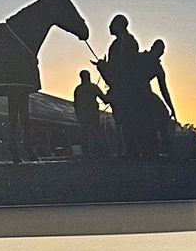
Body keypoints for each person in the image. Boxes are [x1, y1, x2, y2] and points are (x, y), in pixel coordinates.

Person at [103, 13, 156, 158]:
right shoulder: (117, 44)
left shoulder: (128, 42)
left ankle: (135, 148)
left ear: (119, 25)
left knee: (131, 118)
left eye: (113, 24)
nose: (109, 26)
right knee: (125, 119)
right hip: (120, 86)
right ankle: (131, 148)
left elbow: (125, 66)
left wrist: (108, 68)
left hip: (128, 88)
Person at [140, 37, 179, 153]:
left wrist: (171, 108)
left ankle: (164, 145)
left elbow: (164, 89)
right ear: (153, 48)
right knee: (157, 114)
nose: (159, 54)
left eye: (161, 52)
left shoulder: (157, 67)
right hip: (138, 91)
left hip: (145, 92)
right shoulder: (140, 58)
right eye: (158, 51)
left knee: (163, 114)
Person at [71, 68, 107, 158]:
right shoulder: (93, 87)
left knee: (85, 134)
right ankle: (99, 152)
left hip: (83, 114)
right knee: (96, 133)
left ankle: (86, 152)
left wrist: (78, 115)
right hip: (93, 113)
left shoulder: (78, 89)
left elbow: (76, 104)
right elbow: (104, 99)